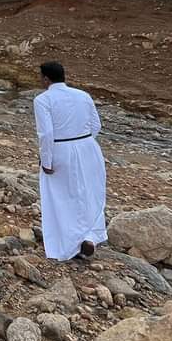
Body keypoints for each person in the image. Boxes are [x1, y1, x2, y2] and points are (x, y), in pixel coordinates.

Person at [33, 61, 107, 260]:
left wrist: (46, 160)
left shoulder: (42, 100)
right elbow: (96, 125)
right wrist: (83, 142)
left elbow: (46, 133)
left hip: (61, 148)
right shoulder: (83, 95)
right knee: (90, 192)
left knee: (62, 196)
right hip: (88, 148)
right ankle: (91, 237)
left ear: (46, 79)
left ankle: (68, 243)